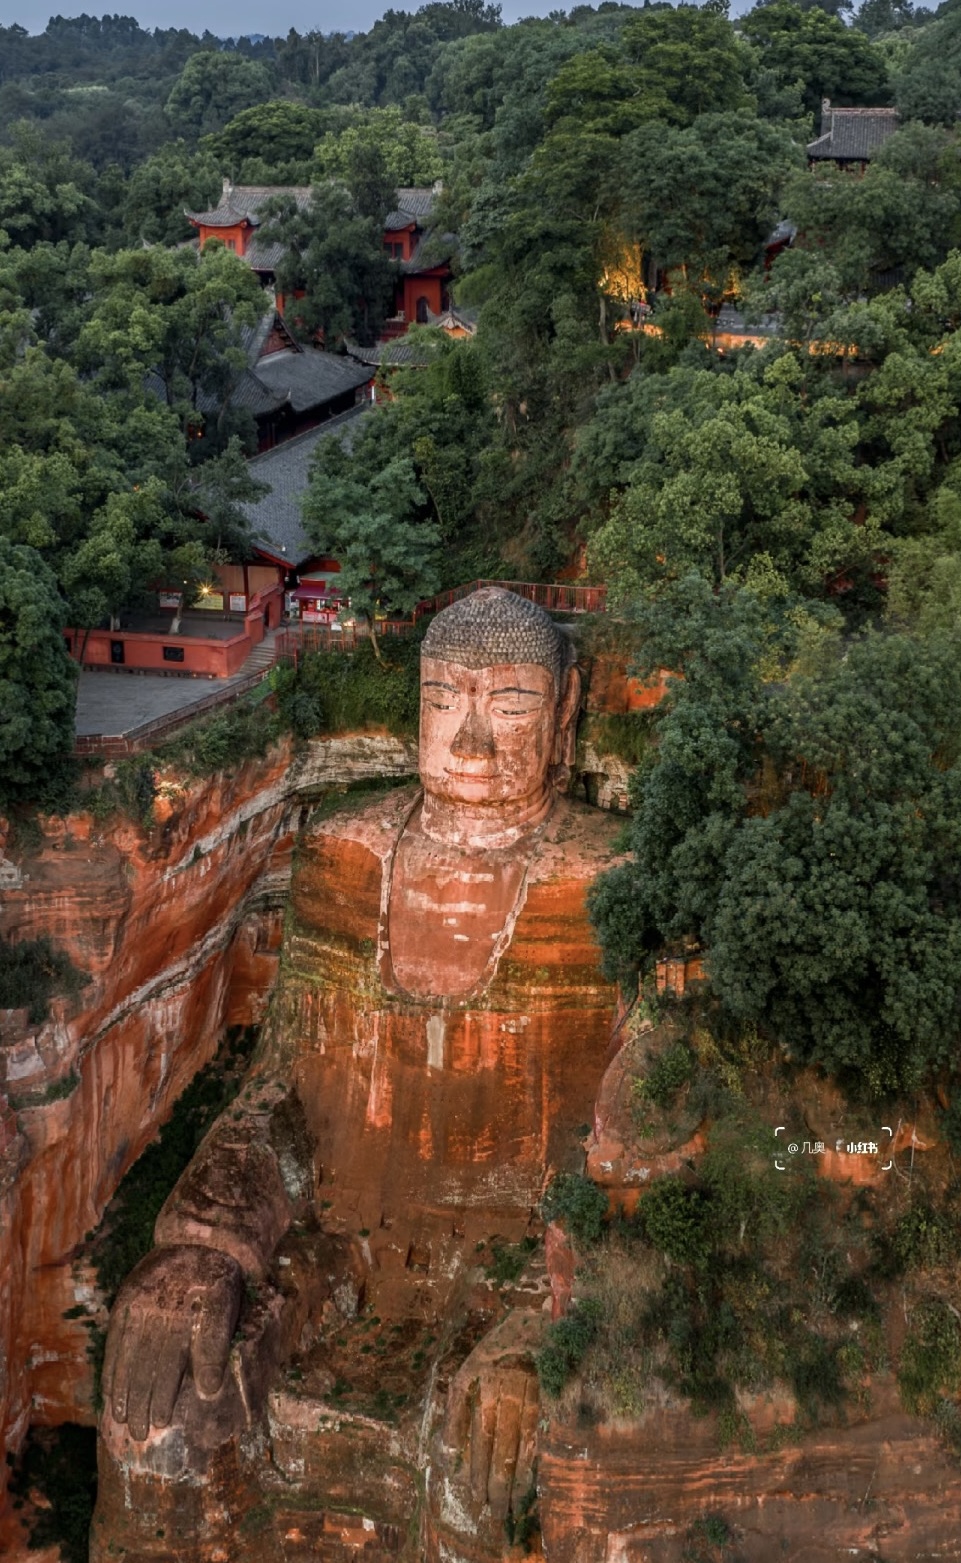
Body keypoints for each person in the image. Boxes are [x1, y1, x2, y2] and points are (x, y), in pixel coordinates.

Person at [95, 589, 621, 1560]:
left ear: (565, 708)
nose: (468, 739)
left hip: (522, 1274)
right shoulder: (344, 851)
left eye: (507, 705)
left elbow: (642, 1157)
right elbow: (282, 1088)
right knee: (161, 1404)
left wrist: (562, 1316)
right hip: (343, 1255)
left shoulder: (609, 882)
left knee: (506, 1484)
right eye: (440, 699)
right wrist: (206, 1247)